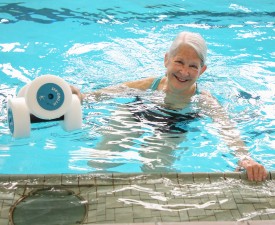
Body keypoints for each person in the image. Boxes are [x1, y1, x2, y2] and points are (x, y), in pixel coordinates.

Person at [71, 31, 267, 181]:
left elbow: (227, 129)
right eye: (179, 62)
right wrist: (79, 96)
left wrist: (244, 158)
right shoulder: (149, 85)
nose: (184, 71)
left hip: (175, 123)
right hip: (138, 112)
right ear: (166, 60)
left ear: (202, 70)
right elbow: (104, 94)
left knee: (155, 168)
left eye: (193, 66)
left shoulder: (204, 100)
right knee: (99, 159)